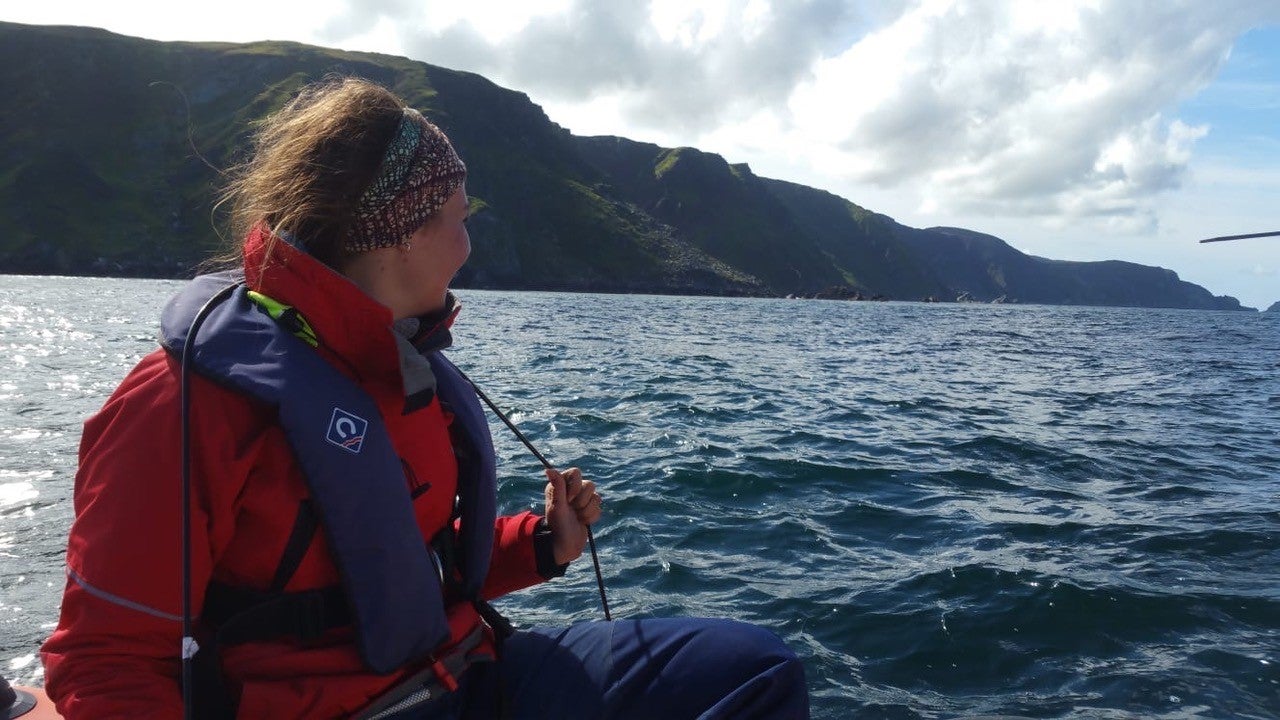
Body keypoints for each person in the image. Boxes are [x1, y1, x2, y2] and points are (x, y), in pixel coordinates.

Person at [40, 76, 809, 719]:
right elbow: (102, 662)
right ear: (398, 232)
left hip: (468, 676)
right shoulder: (181, 403)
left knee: (756, 672)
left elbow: (403, 570)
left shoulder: (400, 368)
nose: (468, 244)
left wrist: (541, 545)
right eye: (456, 218)